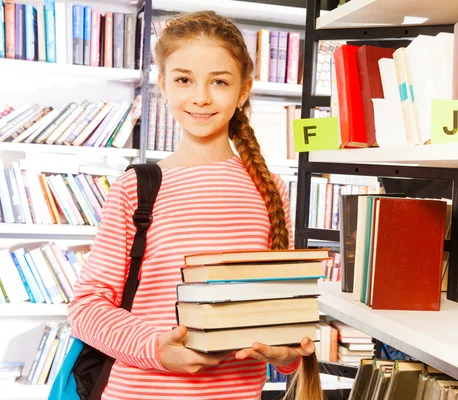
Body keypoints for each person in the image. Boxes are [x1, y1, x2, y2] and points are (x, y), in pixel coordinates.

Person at [67, 10, 321, 400]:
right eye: (184, 79)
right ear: (164, 86)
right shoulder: (137, 188)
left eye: (219, 81)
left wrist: (285, 353)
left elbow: (280, 323)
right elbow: (86, 307)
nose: (200, 97)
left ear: (243, 90)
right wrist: (156, 349)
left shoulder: (270, 189)